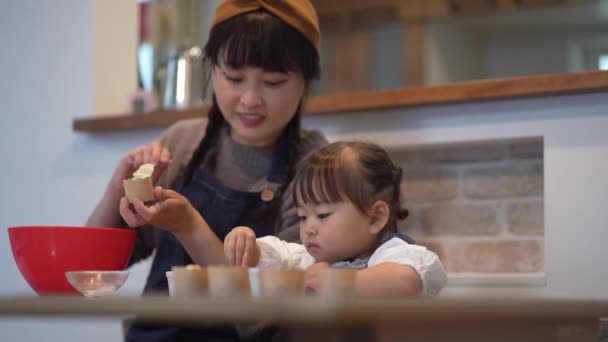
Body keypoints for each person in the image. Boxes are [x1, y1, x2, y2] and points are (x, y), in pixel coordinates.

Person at [86, 0, 327, 340]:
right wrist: (118, 187)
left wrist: (187, 225)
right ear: (212, 70)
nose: (250, 99)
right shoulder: (183, 143)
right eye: (234, 77)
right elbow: (95, 269)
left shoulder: (316, 167)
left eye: (272, 81)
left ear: (307, 82)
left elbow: (273, 313)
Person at [224, 141, 447, 297]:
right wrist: (246, 243)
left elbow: (404, 282)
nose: (308, 228)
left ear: (375, 217)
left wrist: (333, 281)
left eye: (323, 215)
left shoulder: (393, 255)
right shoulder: (308, 259)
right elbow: (272, 256)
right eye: (302, 217)